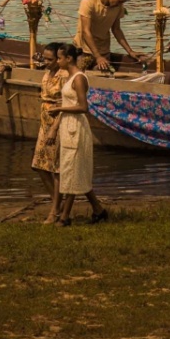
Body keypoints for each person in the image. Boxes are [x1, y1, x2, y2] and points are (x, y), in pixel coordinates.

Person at [52, 43, 107, 226]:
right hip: (68, 127)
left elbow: (84, 107)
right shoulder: (69, 78)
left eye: (60, 58)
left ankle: (64, 217)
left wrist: (60, 107)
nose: (58, 61)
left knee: (73, 172)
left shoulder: (78, 78)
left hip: (76, 127)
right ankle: (99, 210)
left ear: (68, 59)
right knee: (75, 172)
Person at [31, 41, 69, 223]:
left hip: (57, 123)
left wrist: (54, 128)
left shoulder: (64, 75)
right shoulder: (47, 74)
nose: (46, 62)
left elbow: (66, 103)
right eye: (44, 58)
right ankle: (57, 202)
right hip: (45, 122)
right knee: (38, 165)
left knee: (56, 168)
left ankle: (54, 211)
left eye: (50, 59)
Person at [75, 0, 138, 70]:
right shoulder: (89, 1)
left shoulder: (119, 7)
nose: (119, 4)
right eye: (119, 1)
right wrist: (97, 57)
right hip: (84, 50)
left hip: (103, 50)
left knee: (103, 73)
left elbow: (116, 30)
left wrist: (130, 51)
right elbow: (86, 31)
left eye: (122, 2)